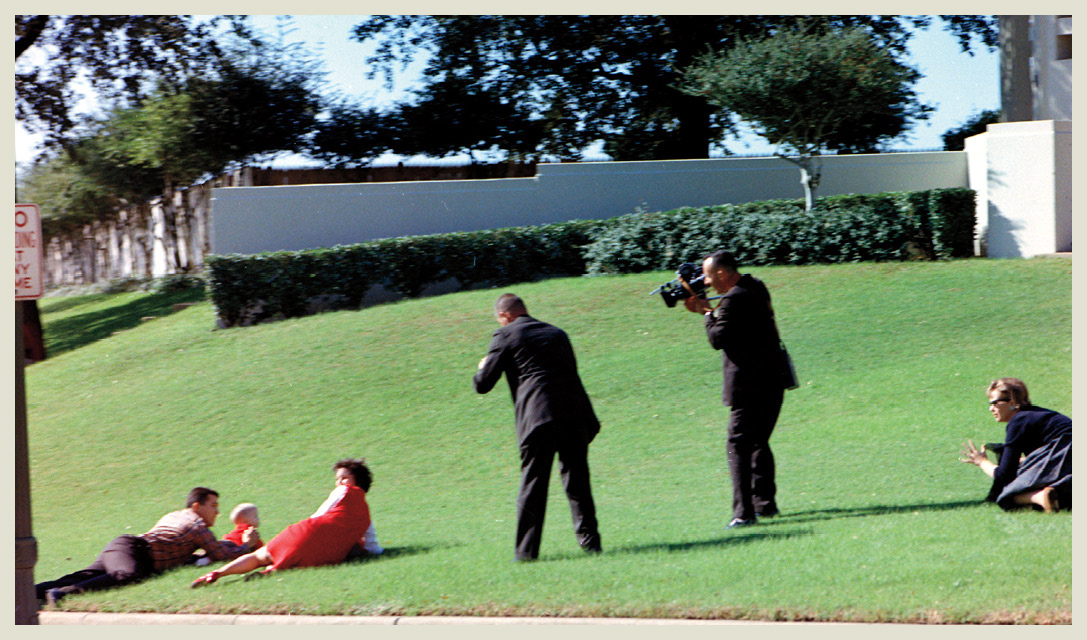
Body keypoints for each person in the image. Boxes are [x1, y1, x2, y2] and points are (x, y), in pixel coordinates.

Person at [473, 293, 602, 562]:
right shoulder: (557, 333)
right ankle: (591, 545)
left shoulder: (506, 335)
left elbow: (483, 384)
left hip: (539, 416)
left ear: (504, 316)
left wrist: (482, 365)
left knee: (533, 484)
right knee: (578, 481)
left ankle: (526, 554)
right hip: (576, 413)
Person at [683, 251, 793, 529]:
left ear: (722, 273)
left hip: (748, 385)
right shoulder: (755, 285)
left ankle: (743, 513)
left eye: (708, 276)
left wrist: (706, 312)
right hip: (773, 379)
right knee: (758, 442)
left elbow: (718, 338)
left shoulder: (732, 299)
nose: (706, 282)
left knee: (738, 445)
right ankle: (764, 504)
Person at [35, 487, 256, 605]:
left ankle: (32, 591)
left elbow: (178, 547)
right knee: (127, 574)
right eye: (213, 505)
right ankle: (60, 594)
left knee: (86, 574)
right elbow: (219, 554)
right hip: (135, 552)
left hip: (124, 545)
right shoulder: (198, 525)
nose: (217, 511)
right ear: (197, 506)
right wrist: (246, 546)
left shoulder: (176, 515)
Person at [191, 459, 375, 586]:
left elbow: (321, 513)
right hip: (324, 554)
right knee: (290, 563)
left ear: (356, 481)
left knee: (259, 556)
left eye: (343, 478)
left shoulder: (344, 491)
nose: (339, 483)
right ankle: (271, 572)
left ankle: (218, 573)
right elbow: (373, 546)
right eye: (338, 479)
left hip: (307, 532)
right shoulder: (366, 516)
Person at [960, 378, 1072, 512]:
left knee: (1005, 495)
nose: (991, 409)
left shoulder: (1018, 421)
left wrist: (981, 462)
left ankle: (1041, 497)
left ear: (1012, 402)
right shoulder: (1037, 415)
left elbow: (1004, 476)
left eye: (995, 403)